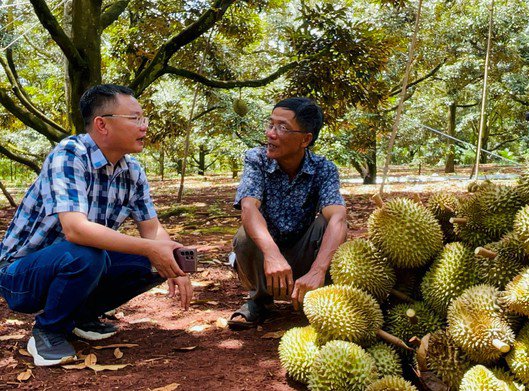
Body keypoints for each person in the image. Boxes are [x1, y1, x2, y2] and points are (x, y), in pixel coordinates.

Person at [0, 84, 192, 367]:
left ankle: (80, 316)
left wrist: (175, 260)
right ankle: (48, 331)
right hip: (22, 274)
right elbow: (76, 230)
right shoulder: (70, 154)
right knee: (88, 253)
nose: (144, 126)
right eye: (135, 118)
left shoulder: (133, 171)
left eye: (144, 118)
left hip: (78, 260)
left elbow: (152, 230)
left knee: (158, 258)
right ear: (102, 124)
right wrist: (153, 248)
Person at [228, 97, 347, 329]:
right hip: (263, 258)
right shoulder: (256, 159)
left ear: (306, 139)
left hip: (303, 255)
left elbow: (338, 218)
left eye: (282, 127)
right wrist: (272, 254)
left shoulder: (323, 169)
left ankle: (316, 296)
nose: (271, 133)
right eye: (271, 124)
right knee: (244, 235)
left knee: (330, 222)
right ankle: (259, 300)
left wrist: (318, 270)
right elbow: (249, 207)